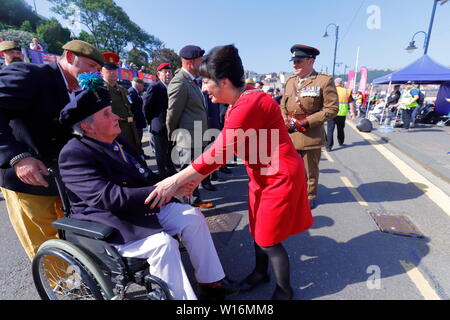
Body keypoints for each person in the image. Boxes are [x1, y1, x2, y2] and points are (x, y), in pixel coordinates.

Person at [145, 44, 313, 300]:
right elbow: (224, 146)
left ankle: (284, 290)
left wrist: (174, 181)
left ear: (223, 81)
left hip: (278, 177)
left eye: (205, 82)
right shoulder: (242, 100)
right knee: (257, 230)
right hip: (261, 174)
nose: (202, 88)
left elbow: (220, 151)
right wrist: (196, 177)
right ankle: (260, 273)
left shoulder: (250, 103)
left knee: (268, 239)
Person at [58, 75, 238, 300]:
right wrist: (165, 190)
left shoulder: (118, 141)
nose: (116, 116)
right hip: (108, 222)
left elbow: (145, 177)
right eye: (106, 114)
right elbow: (109, 198)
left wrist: (177, 185)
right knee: (162, 244)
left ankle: (210, 282)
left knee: (192, 216)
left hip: (138, 208)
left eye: (112, 110)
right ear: (87, 126)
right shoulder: (74, 153)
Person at [0, 39, 104, 260]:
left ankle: (82, 277)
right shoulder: (31, 75)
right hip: (26, 177)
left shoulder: (79, 88)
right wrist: (17, 157)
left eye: (97, 69)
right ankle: (63, 288)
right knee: (44, 239)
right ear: (68, 57)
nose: (94, 72)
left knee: (73, 232)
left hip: (62, 175)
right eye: (90, 66)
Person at [280, 44, 339, 209]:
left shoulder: (324, 81)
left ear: (311, 61)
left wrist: (305, 122)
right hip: (290, 133)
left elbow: (331, 109)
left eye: (299, 61)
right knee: (289, 169)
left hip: (309, 134)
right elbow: (282, 105)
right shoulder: (291, 81)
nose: (294, 64)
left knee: (308, 171)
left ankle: (309, 196)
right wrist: (284, 119)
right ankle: (293, 193)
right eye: (293, 61)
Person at [166, 45, 213, 209]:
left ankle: (194, 201)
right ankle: (185, 210)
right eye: (201, 60)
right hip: (186, 139)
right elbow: (172, 114)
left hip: (196, 137)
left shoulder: (191, 81)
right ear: (191, 63)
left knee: (193, 174)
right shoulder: (180, 82)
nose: (203, 63)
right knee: (185, 177)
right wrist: (174, 136)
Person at [101, 52, 142, 151]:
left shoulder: (123, 90)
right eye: (109, 69)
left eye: (114, 69)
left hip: (130, 133)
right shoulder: (100, 90)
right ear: (101, 70)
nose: (113, 72)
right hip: (114, 136)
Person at [143, 62, 177, 179]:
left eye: (169, 72)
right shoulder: (155, 87)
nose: (168, 74)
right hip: (159, 125)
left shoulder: (172, 87)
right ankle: (162, 175)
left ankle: (171, 171)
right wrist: (152, 121)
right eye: (165, 72)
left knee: (170, 150)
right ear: (158, 74)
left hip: (170, 126)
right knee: (160, 153)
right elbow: (146, 106)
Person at [325, 77, 355, 151]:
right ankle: (341, 142)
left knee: (330, 130)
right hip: (342, 113)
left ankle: (329, 147)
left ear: (335, 84)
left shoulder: (331, 90)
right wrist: (352, 112)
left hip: (331, 112)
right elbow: (351, 102)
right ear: (341, 83)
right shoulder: (346, 91)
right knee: (340, 128)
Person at [128, 77, 148, 157]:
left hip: (138, 120)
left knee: (139, 139)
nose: (143, 87)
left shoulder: (135, 92)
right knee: (137, 139)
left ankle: (141, 153)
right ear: (137, 84)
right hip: (135, 121)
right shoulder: (131, 93)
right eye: (142, 85)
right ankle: (139, 155)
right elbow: (131, 108)